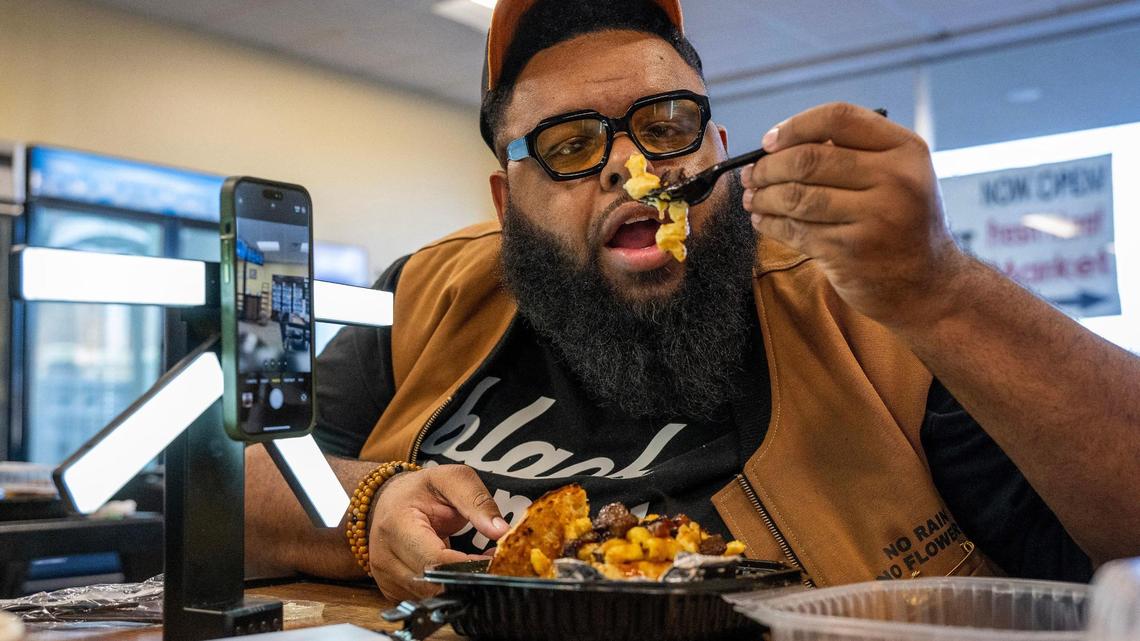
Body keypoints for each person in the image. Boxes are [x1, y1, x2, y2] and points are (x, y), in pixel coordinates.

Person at [245, 0, 1140, 600]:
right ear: (506, 202)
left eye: (664, 124)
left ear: (715, 145)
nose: (634, 168)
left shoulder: (866, 307)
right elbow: (233, 488)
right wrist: (373, 508)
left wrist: (939, 286)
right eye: (568, 143)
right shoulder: (430, 291)